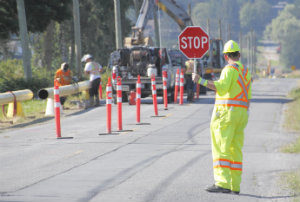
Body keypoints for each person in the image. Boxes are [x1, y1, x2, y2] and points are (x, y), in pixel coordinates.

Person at [193, 40, 252, 194]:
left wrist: (200, 80)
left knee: (221, 147)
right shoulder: (246, 72)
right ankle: (235, 186)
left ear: (226, 56)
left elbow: (221, 87)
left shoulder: (228, 69)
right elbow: (248, 96)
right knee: (236, 149)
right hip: (242, 114)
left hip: (227, 114)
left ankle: (222, 183)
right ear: (239, 55)